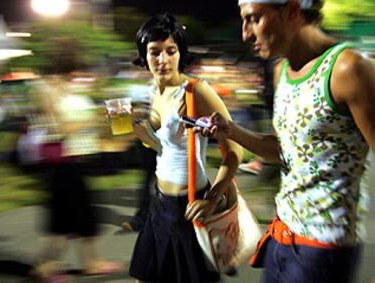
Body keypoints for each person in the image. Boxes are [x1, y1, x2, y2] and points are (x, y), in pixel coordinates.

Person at [195, 0, 375, 282]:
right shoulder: (282, 71)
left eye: (254, 19)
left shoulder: (348, 69)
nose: (245, 34)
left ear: (291, 11)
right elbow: (284, 148)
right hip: (281, 238)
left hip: (323, 250)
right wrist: (229, 130)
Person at [128, 13, 243, 283]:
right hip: (159, 204)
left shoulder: (196, 91)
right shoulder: (152, 90)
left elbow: (235, 150)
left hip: (189, 207)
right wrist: (142, 134)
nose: (163, 60)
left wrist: (212, 198)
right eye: (155, 52)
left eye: (171, 51)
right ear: (144, 56)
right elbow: (162, 146)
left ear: (181, 53)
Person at [29, 77, 121, 281]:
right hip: (61, 165)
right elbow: (61, 129)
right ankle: (46, 268)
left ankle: (91, 262)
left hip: (74, 162)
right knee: (63, 221)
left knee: (85, 215)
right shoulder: (46, 92)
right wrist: (95, 118)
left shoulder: (63, 94)